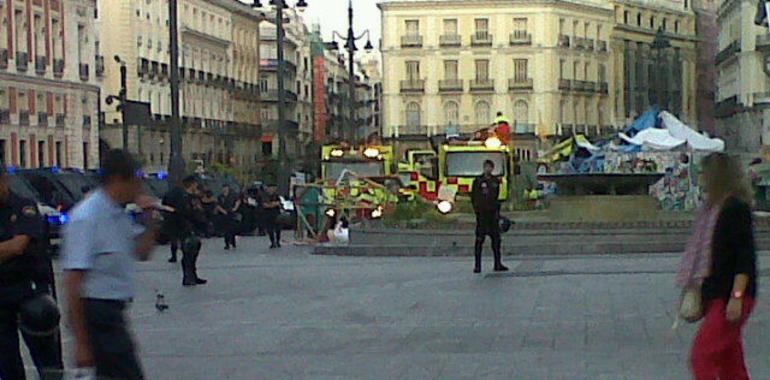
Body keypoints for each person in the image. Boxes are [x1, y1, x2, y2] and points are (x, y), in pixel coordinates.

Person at [61, 149, 159, 380]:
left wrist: (150, 219)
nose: (140, 188)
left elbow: (142, 253)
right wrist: (81, 343)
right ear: (117, 180)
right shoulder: (86, 217)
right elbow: (73, 282)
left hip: (114, 314)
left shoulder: (118, 214)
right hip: (96, 316)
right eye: (136, 182)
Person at [676, 153, 758, 379]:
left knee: (701, 355)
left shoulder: (735, 209)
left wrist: (737, 296)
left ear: (717, 177)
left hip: (730, 295)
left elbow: (744, 259)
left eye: (704, 173)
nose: (701, 178)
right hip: (716, 294)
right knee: (730, 362)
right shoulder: (711, 211)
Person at [0, 165, 64, 380]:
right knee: (7, 363)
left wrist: (8, 249)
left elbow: (18, 246)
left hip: (30, 291)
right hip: (2, 294)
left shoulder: (24, 207)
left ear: (5, 181)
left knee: (48, 361)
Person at [163, 176, 207, 286]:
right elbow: (185, 212)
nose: (196, 186)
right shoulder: (182, 197)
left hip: (192, 226)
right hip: (185, 227)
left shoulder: (191, 197)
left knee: (194, 250)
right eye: (195, 184)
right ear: (191, 184)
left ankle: (193, 274)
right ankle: (187, 277)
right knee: (188, 252)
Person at [471, 160, 508, 273]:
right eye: (486, 167)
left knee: (496, 240)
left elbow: (496, 196)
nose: (488, 169)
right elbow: (474, 196)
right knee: (479, 240)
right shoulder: (478, 181)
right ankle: (477, 265)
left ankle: (497, 263)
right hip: (482, 215)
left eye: (490, 167)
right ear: (484, 168)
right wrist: (477, 210)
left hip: (493, 215)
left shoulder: (495, 181)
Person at [217, 184, 241, 250]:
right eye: (223, 188)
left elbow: (238, 201)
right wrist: (223, 211)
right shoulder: (220, 197)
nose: (224, 189)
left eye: (226, 188)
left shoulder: (233, 195)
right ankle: (227, 243)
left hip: (232, 213)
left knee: (232, 228)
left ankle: (233, 242)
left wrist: (235, 208)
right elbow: (217, 205)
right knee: (226, 229)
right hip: (224, 214)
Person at [262, 184, 282, 248]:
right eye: (270, 188)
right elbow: (265, 205)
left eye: (273, 188)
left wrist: (273, 204)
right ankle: (272, 242)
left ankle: (278, 241)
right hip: (268, 214)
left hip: (276, 214)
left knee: (278, 228)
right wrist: (273, 204)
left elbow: (279, 204)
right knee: (270, 229)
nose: (272, 190)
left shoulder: (276, 195)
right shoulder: (265, 196)